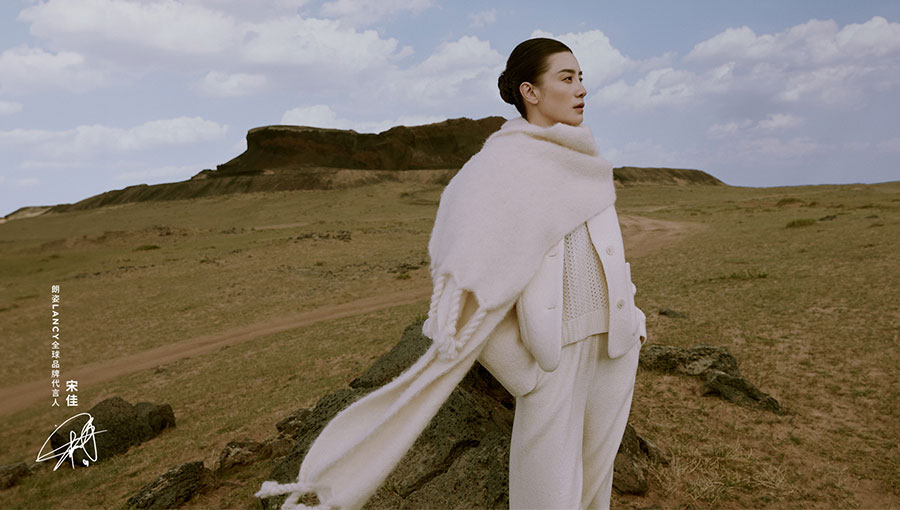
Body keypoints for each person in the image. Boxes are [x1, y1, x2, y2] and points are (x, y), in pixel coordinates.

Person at [255, 37, 646, 510]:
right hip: (552, 362)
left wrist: (634, 322)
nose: (581, 88)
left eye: (582, 77)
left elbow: (603, 253)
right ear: (531, 92)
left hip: (613, 350)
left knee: (595, 494)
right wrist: (525, 376)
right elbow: (464, 286)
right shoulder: (495, 169)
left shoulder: (586, 162)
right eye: (567, 78)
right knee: (547, 499)